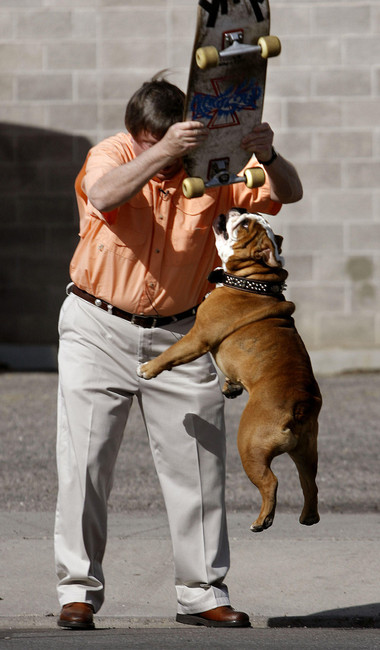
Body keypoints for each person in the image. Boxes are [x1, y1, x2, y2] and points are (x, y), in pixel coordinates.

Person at [55, 75, 303, 630]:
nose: (165, 161)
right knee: (85, 464)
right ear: (137, 135)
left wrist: (267, 152)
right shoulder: (111, 155)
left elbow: (288, 192)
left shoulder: (212, 166)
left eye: (173, 147)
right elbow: (103, 194)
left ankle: (202, 592)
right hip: (98, 327)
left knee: (198, 466)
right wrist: (163, 151)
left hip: (182, 333)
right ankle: (77, 590)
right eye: (153, 145)